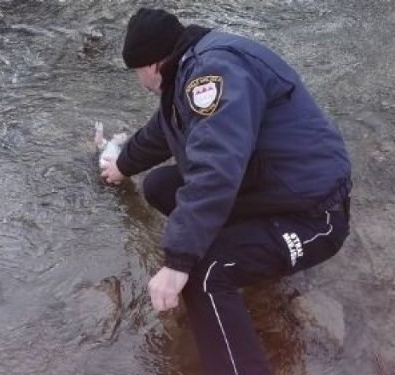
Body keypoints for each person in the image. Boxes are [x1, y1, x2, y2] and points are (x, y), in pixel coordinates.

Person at [100, 7, 352, 375]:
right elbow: (162, 131)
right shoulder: (191, 67)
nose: (140, 80)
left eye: (137, 71)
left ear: (152, 65)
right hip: (274, 191)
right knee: (159, 186)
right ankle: (249, 266)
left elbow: (217, 165)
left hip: (316, 216)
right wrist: (121, 166)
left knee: (203, 270)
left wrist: (178, 262)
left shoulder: (210, 76)